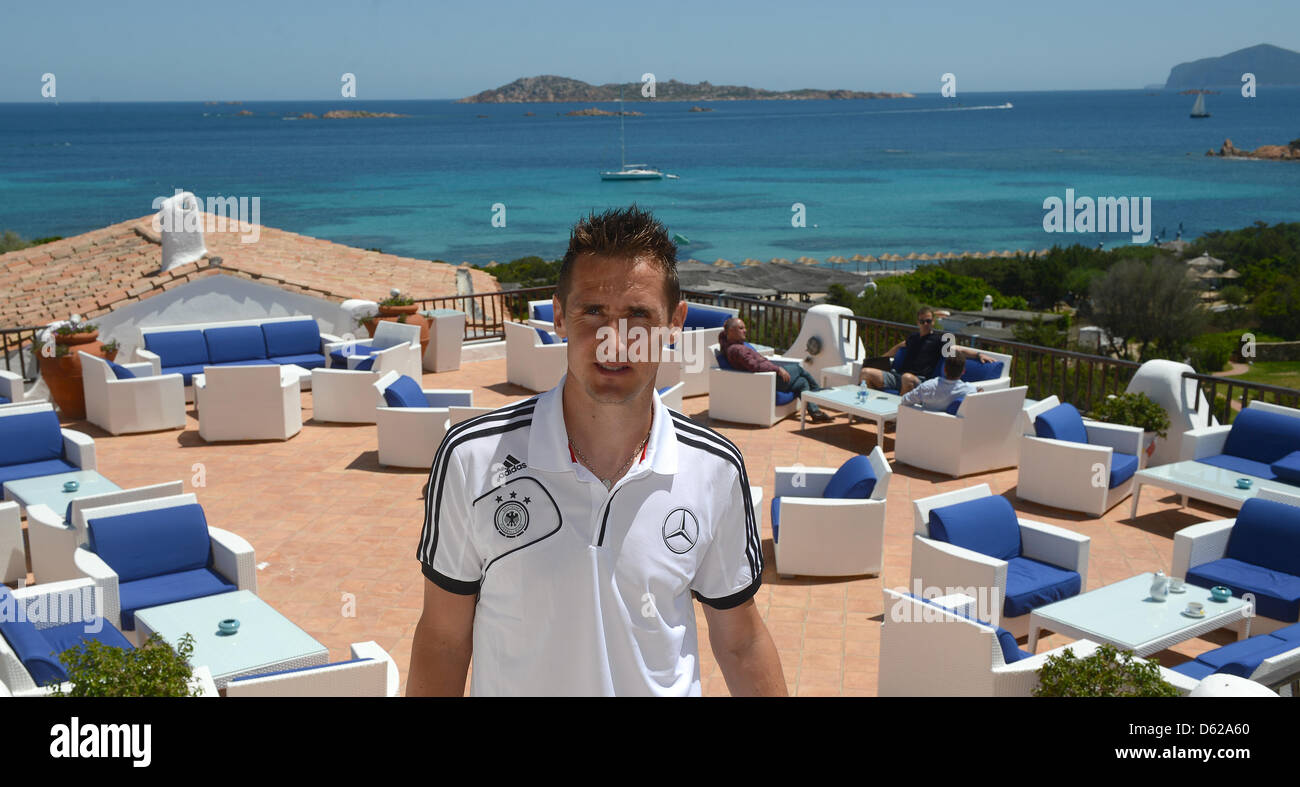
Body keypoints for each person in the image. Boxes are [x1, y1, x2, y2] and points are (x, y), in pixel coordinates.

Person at [408, 205, 786, 697]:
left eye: (637, 315)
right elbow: (443, 640)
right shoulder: (472, 458)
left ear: (675, 323)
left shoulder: (714, 468)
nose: (614, 340)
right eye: (593, 312)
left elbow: (741, 641)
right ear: (559, 316)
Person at [718, 317, 833, 423]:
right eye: (741, 328)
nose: (745, 330)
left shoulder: (732, 344)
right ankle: (817, 390)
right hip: (766, 381)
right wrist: (777, 369)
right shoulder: (737, 350)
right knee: (797, 368)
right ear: (731, 331)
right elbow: (754, 366)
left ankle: (815, 413)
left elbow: (754, 364)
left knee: (802, 382)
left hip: (768, 376)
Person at [862, 306, 994, 395]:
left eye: (928, 321)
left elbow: (957, 349)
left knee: (907, 378)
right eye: (922, 321)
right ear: (918, 322)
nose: (925, 324)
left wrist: (978, 354)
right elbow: (899, 347)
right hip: (898, 376)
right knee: (866, 373)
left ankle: (898, 417)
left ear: (933, 322)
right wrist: (881, 359)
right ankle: (870, 410)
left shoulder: (939, 339)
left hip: (919, 380)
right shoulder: (913, 338)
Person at [900, 355, 981, 412]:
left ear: (944, 369)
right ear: (963, 371)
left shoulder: (928, 386)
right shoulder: (969, 390)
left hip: (922, 423)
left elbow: (905, 400)